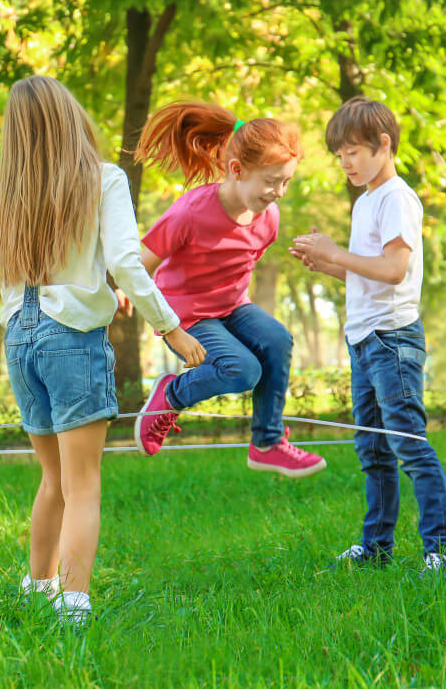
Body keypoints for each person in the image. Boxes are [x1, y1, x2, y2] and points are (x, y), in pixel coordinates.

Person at [0, 76, 205, 625]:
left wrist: (2, 211)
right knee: (83, 485)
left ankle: (38, 588)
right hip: (71, 341)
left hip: (20, 339)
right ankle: (74, 607)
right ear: (72, 118)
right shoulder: (103, 179)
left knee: (53, 480)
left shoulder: (11, 194)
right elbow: (125, 262)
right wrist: (169, 327)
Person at [290, 96, 446, 572]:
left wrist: (336, 253)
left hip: (392, 341)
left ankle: (440, 549)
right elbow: (368, 274)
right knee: (372, 449)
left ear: (384, 145)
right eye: (340, 156)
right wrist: (327, 264)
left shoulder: (396, 198)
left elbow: (395, 270)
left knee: (408, 444)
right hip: (363, 339)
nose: (346, 163)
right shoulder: (365, 202)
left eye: (354, 152)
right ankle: (377, 547)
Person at [129, 101, 326, 478]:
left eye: (286, 181)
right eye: (271, 181)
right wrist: (128, 297)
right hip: (187, 315)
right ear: (236, 170)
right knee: (241, 369)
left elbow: (242, 263)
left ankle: (267, 443)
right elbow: (141, 265)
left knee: (278, 341)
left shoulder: (269, 217)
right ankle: (169, 395)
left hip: (232, 306)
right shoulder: (190, 212)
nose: (279, 192)